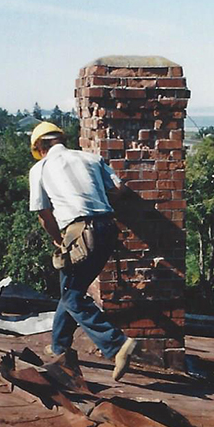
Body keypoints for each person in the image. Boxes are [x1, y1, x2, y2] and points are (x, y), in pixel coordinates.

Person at [28, 122, 137, 380]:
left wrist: (57, 239)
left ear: (41, 147)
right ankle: (59, 347)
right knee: (70, 291)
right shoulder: (91, 158)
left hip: (79, 233)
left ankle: (117, 343)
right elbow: (120, 189)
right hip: (107, 228)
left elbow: (43, 214)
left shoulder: (40, 168)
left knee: (73, 297)